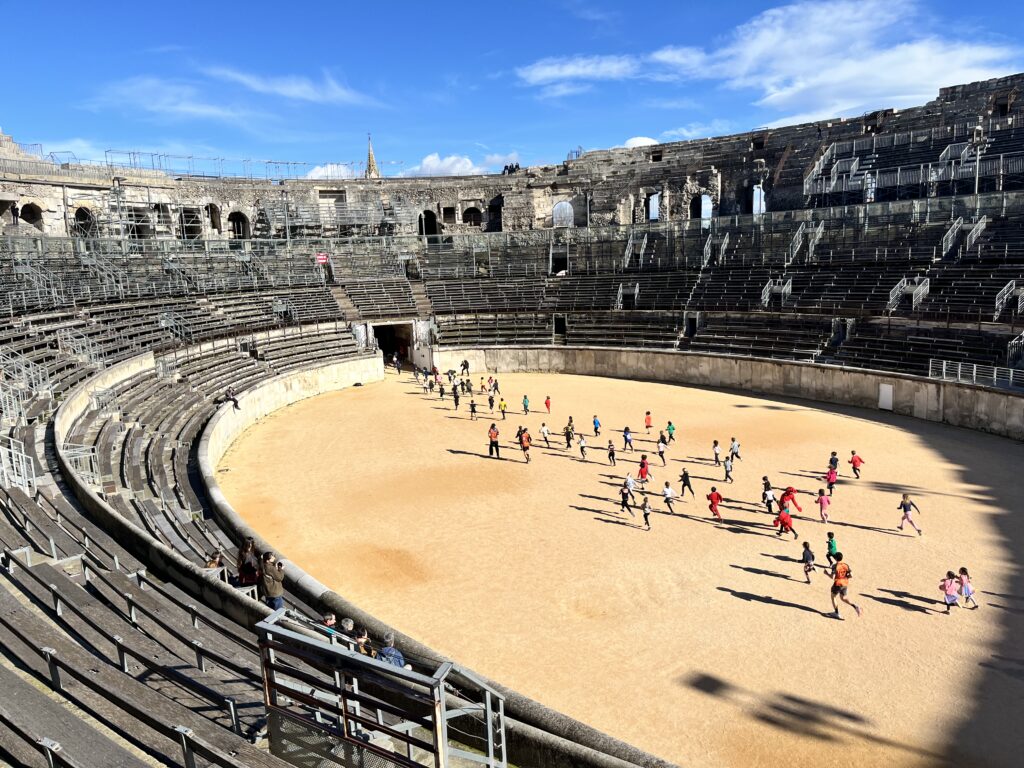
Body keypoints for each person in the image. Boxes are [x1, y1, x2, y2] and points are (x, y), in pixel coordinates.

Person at [827, 553, 862, 619]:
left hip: (837, 584)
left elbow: (832, 577)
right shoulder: (846, 565)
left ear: (835, 558)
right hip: (845, 583)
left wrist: (826, 573)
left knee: (833, 596)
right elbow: (851, 575)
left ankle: (836, 613)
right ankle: (856, 607)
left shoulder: (835, 566)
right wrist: (845, 577)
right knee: (843, 598)